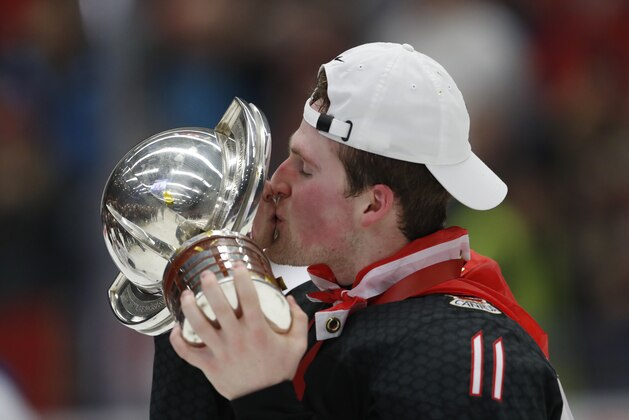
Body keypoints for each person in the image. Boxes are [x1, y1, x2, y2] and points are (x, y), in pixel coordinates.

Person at [150, 42, 573, 419]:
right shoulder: (308, 309)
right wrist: (201, 274)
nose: (276, 182)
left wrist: (263, 397)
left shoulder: (465, 354)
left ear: (374, 203)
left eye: (305, 168)